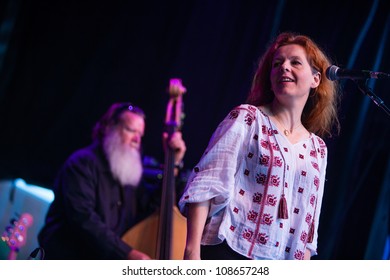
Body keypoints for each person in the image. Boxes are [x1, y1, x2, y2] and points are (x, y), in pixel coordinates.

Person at [178, 32, 340, 260]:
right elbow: (207, 184)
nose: (284, 67)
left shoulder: (318, 149)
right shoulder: (247, 119)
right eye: (277, 63)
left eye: (295, 62)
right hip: (230, 251)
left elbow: (308, 225)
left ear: (316, 79)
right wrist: (191, 252)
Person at [38, 102, 186, 259]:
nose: (137, 139)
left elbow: (151, 209)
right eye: (130, 130)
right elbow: (82, 219)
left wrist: (173, 165)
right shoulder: (81, 163)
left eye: (140, 135)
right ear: (109, 127)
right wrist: (127, 253)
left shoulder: (128, 173)